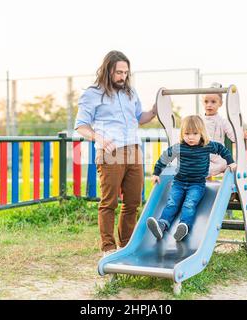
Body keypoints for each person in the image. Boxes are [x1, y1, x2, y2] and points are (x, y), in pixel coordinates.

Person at [74, 50, 157, 256]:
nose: (123, 77)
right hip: (109, 151)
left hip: (133, 149)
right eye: (119, 72)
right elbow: (81, 126)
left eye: (126, 73)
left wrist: (155, 111)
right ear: (108, 69)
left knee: (133, 202)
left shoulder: (130, 92)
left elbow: (140, 117)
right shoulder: (92, 93)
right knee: (109, 201)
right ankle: (108, 248)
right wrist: (99, 138)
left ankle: (127, 245)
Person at [146, 115, 236, 241]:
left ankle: (184, 226)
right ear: (182, 134)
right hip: (178, 183)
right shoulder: (179, 147)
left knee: (189, 204)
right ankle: (162, 226)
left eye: (195, 133)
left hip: (197, 184)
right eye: (187, 133)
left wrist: (230, 162)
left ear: (201, 133)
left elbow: (222, 149)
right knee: (172, 203)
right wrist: (156, 173)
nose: (190, 137)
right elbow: (165, 157)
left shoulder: (207, 146)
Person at [202, 82, 247, 177]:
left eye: (213, 102)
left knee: (225, 164)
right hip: (203, 154)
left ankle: (202, 174)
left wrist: (242, 135)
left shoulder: (222, 121)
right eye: (206, 101)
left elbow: (233, 136)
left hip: (217, 156)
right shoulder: (200, 120)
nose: (209, 105)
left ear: (220, 103)